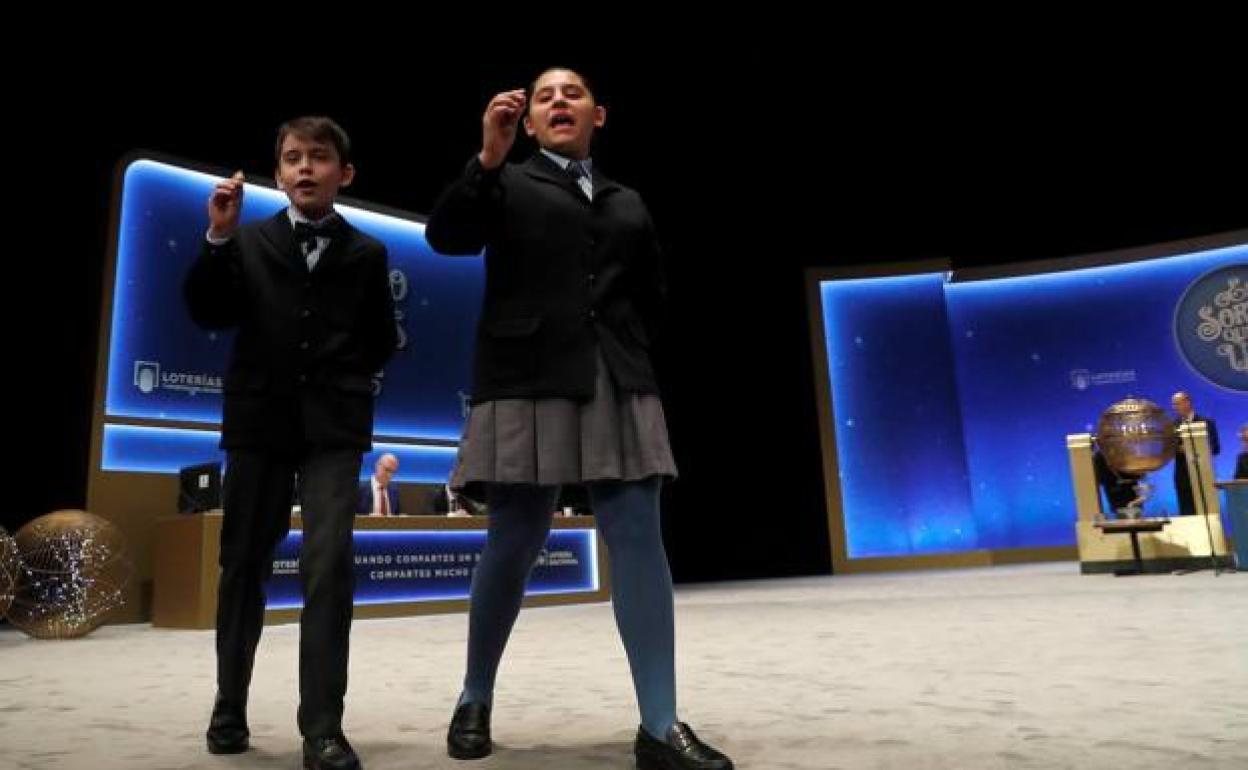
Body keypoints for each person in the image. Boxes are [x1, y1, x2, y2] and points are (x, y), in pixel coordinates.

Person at [425, 67, 732, 770]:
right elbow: (447, 235)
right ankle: (474, 697)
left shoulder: (628, 201)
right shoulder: (504, 180)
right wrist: (488, 157)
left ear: (600, 115)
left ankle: (660, 725)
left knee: (639, 536)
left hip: (616, 378)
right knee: (514, 539)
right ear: (529, 121)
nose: (559, 101)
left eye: (573, 93)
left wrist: (625, 347)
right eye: (544, 96)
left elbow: (652, 293)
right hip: (524, 375)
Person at [184, 116, 396, 770]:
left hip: (335, 428)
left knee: (329, 567)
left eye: (320, 157)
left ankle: (323, 729)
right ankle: (229, 705)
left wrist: (346, 375)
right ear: (278, 175)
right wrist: (218, 235)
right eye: (293, 158)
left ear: (344, 173)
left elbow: (381, 337)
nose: (306, 167)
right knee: (242, 563)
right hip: (259, 424)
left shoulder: (368, 253)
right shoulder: (245, 242)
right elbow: (207, 310)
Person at [1171, 391, 1221, 515]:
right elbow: (1170, 449)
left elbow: (1215, 448)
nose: (1175, 407)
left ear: (1187, 402)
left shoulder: (1206, 422)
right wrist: (1178, 449)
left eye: (1178, 403)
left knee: (1208, 511)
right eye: (1174, 404)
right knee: (1187, 513)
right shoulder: (1172, 425)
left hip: (1204, 474)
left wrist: (1192, 448)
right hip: (1183, 477)